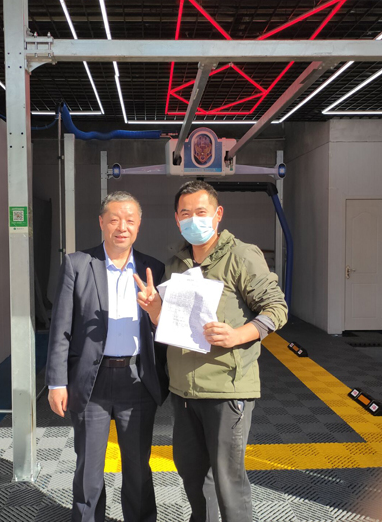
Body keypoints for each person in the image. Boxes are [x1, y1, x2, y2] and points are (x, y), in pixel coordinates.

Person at [136, 180, 288, 522]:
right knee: (192, 474)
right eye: (185, 213)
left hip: (226, 389)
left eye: (201, 212)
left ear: (218, 214)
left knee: (228, 481)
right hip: (184, 392)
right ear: (177, 219)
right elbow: (173, 324)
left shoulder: (242, 256)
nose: (194, 219)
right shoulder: (176, 264)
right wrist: (155, 311)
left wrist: (237, 335)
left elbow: (276, 309)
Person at [46, 191, 168, 522]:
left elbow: (163, 330)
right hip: (91, 381)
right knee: (88, 468)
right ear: (101, 222)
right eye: (114, 219)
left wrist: (156, 313)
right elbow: (60, 329)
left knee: (138, 467)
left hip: (136, 379)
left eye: (129, 220)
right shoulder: (77, 264)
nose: (121, 227)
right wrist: (56, 382)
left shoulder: (153, 269)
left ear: (139, 225)